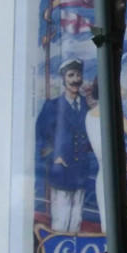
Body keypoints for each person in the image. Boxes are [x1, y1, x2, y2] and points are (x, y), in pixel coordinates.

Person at [85, 80, 127, 236]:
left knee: (108, 224)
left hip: (102, 178)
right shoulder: (116, 117)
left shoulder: (88, 116)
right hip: (119, 177)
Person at [34, 58, 94, 232]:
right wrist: (55, 158)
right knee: (60, 221)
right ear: (63, 79)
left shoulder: (87, 105)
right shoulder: (51, 106)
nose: (76, 79)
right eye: (71, 75)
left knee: (76, 219)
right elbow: (41, 138)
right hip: (61, 172)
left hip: (81, 172)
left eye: (78, 75)